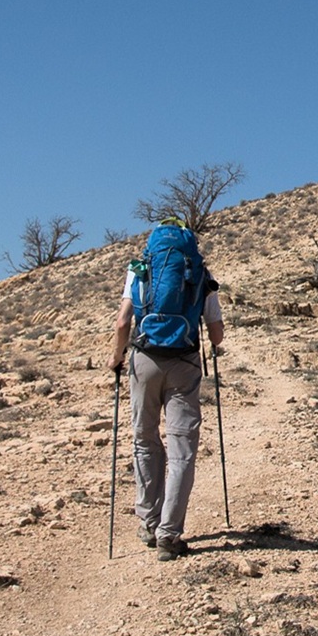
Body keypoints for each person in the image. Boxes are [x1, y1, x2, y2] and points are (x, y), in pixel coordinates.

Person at [109, 218, 224, 561]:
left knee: (144, 439)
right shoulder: (200, 272)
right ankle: (169, 535)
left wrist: (116, 359)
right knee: (182, 448)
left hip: (144, 360)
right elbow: (216, 333)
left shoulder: (140, 270)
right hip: (184, 363)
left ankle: (147, 520)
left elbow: (121, 323)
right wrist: (214, 345)